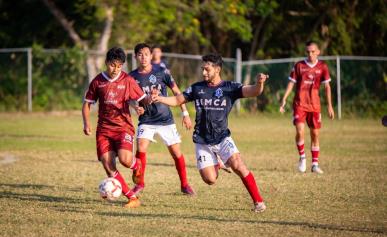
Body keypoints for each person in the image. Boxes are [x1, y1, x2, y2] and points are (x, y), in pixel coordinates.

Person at [152, 53, 268, 212]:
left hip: (222, 137)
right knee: (210, 180)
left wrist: (259, 83)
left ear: (217, 69)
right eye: (202, 69)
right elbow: (178, 100)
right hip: (202, 141)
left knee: (238, 165)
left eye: (207, 69)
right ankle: (219, 162)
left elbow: (254, 91)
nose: (204, 73)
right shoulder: (197, 88)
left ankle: (259, 202)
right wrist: (160, 98)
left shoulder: (230, 87)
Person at [82, 47, 151, 208]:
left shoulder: (127, 80)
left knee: (126, 160)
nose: (116, 69)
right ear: (107, 63)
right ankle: (132, 198)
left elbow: (139, 99)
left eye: (119, 66)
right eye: (113, 65)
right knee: (108, 164)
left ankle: (137, 165)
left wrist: (142, 104)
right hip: (104, 130)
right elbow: (87, 105)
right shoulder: (98, 81)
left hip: (123, 128)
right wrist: (86, 123)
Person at [129, 43, 195, 196]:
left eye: (146, 54)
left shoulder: (162, 72)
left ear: (151, 55)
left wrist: (185, 114)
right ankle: (140, 184)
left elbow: (177, 92)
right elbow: (129, 99)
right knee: (141, 147)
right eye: (140, 54)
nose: (143, 57)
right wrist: (135, 107)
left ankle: (184, 185)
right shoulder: (132, 77)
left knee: (176, 152)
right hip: (146, 120)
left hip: (165, 119)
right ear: (135, 57)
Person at [279, 41, 334, 174]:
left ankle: (315, 164)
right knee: (300, 131)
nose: (310, 54)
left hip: (315, 106)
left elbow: (327, 87)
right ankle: (302, 157)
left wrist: (330, 106)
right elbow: (291, 83)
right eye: (308, 52)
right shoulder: (299, 65)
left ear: (318, 52)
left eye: (313, 51)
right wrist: (284, 99)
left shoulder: (323, 67)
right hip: (300, 104)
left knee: (315, 134)